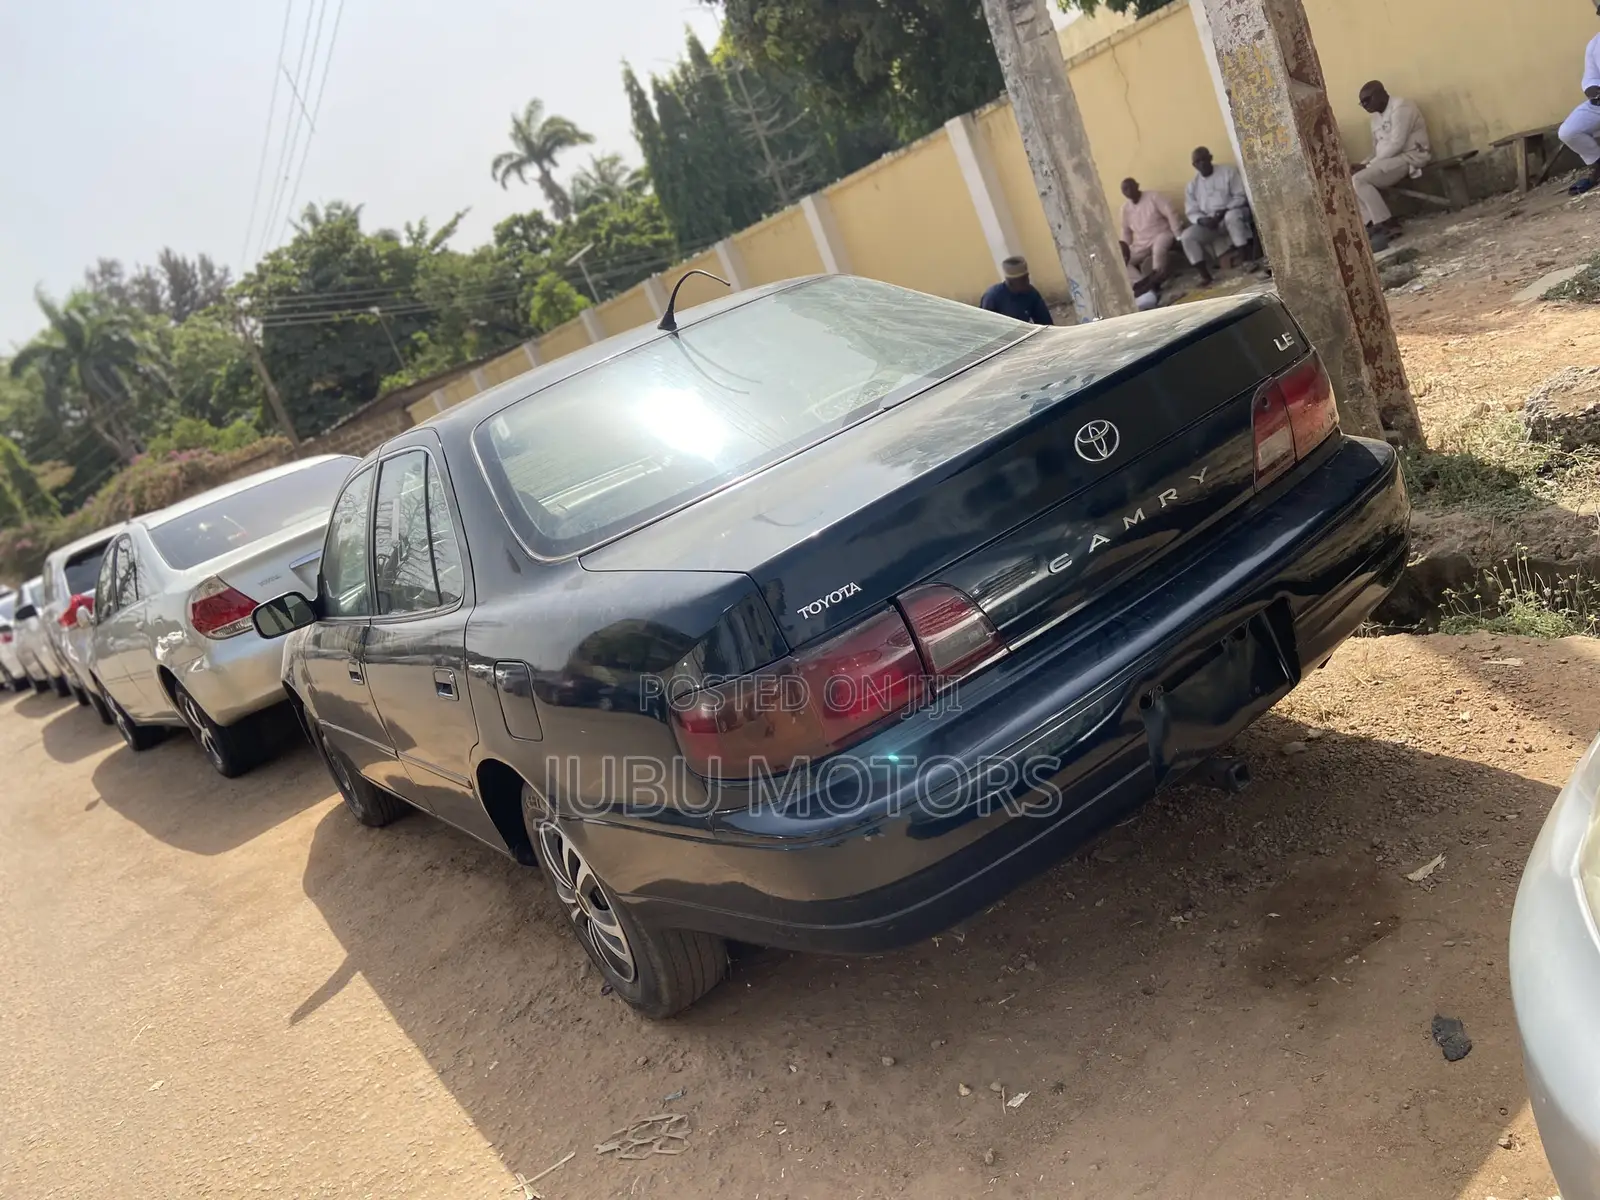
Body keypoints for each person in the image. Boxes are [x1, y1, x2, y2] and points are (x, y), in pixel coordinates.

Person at [1349, 80, 1432, 239]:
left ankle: (1388, 224)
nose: (1366, 106)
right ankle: (1371, 224)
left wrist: (1368, 166)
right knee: (1350, 178)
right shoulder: (1375, 118)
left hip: (1410, 157)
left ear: (1381, 94)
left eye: (1368, 100)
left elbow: (1397, 144)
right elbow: (1376, 150)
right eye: (1362, 103)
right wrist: (1363, 163)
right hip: (1388, 161)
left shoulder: (1401, 108)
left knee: (1361, 179)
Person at [1180, 147, 1255, 286]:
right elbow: (1191, 211)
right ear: (1194, 165)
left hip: (1232, 211)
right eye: (1198, 161)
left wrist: (1224, 210)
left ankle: (1247, 262)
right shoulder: (1192, 186)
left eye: (1204, 159)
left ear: (1211, 158)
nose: (1202, 163)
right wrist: (1202, 220)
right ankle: (1205, 276)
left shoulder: (1227, 172)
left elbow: (1240, 195)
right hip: (1210, 223)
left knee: (1232, 216)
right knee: (1187, 236)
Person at [1558, 0, 1600, 195]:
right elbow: (1590, 77)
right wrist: (1592, 89)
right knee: (1568, 131)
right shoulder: (1594, 45)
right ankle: (1597, 165)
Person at [1119, 177, 1183, 295]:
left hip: (1162, 233)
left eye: (1130, 187)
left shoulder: (1154, 197)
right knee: (1125, 260)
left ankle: (1157, 281)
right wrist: (1124, 250)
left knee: (1158, 249)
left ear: (1137, 186)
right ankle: (1141, 284)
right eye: (1124, 190)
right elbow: (1126, 231)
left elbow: (1171, 213)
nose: (1128, 191)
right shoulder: (1125, 209)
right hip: (1142, 242)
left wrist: (1178, 235)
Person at [979, 256, 1053, 324]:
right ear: (1011, 282)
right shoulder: (992, 297)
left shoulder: (1031, 293)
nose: (1028, 281)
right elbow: (986, 327)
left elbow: (1045, 323)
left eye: (1027, 277)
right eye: (1023, 280)